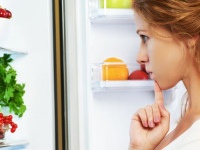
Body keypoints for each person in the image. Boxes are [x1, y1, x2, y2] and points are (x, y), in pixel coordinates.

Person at [129, 0, 200, 149]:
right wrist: (140, 146)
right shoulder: (179, 112)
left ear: (189, 36)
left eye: (145, 38)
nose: (140, 57)